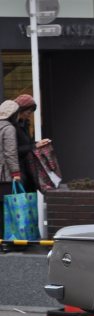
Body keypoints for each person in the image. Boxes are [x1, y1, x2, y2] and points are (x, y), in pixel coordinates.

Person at [14, 94, 51, 193]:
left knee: (30, 199)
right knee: (21, 202)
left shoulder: (24, 124)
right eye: (28, 112)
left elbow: (28, 143)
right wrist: (35, 146)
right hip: (18, 171)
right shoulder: (12, 127)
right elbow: (14, 150)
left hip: (28, 169)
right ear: (20, 110)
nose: (29, 114)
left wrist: (38, 143)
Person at [0, 100, 22, 241]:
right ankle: (5, 240)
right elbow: (10, 152)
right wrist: (16, 172)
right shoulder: (8, 128)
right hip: (4, 175)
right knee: (5, 209)